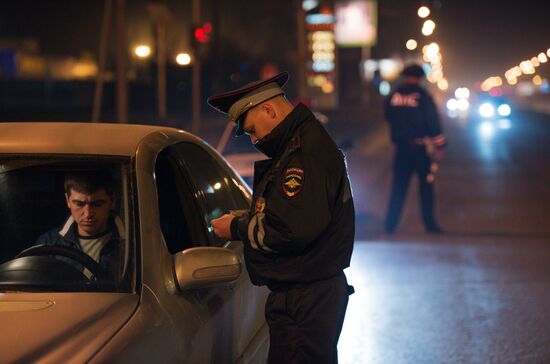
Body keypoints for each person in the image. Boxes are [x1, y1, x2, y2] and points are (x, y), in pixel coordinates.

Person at [208, 71, 355, 363]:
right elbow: (292, 212)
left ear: (268, 109)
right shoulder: (299, 144)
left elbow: (291, 229)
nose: (253, 139)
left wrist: (236, 227)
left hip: (306, 295)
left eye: (252, 129)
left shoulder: (302, 153)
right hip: (308, 292)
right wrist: (250, 215)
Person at [384, 64, 447, 234]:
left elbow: (388, 116)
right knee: (426, 187)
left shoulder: (394, 96)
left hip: (401, 149)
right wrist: (440, 146)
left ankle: (390, 225)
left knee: (398, 188)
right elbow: (433, 123)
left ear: (404, 76)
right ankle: (430, 225)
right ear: (420, 78)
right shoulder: (423, 97)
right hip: (420, 149)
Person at [36, 170, 125, 279]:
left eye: (97, 204)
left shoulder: (130, 243)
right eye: (79, 204)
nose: (88, 214)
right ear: (67, 200)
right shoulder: (48, 243)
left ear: (112, 200)